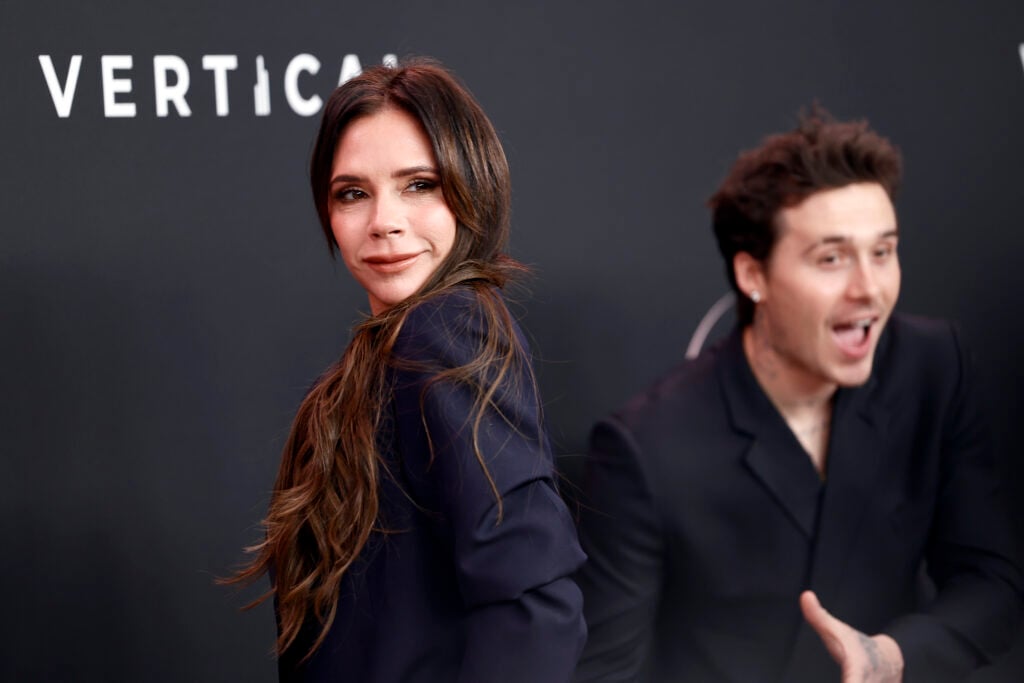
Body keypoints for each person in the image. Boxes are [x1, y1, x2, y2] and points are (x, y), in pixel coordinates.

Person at [574, 109, 1023, 682]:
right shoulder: (646, 446)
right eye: (831, 258)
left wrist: (890, 657)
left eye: (883, 252)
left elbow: (993, 584)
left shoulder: (933, 367)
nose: (869, 289)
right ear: (752, 276)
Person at [232, 60, 585, 682]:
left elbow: (534, 605)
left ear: (474, 187)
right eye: (353, 193)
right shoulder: (369, 366)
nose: (384, 222)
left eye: (419, 184)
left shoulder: (446, 328)